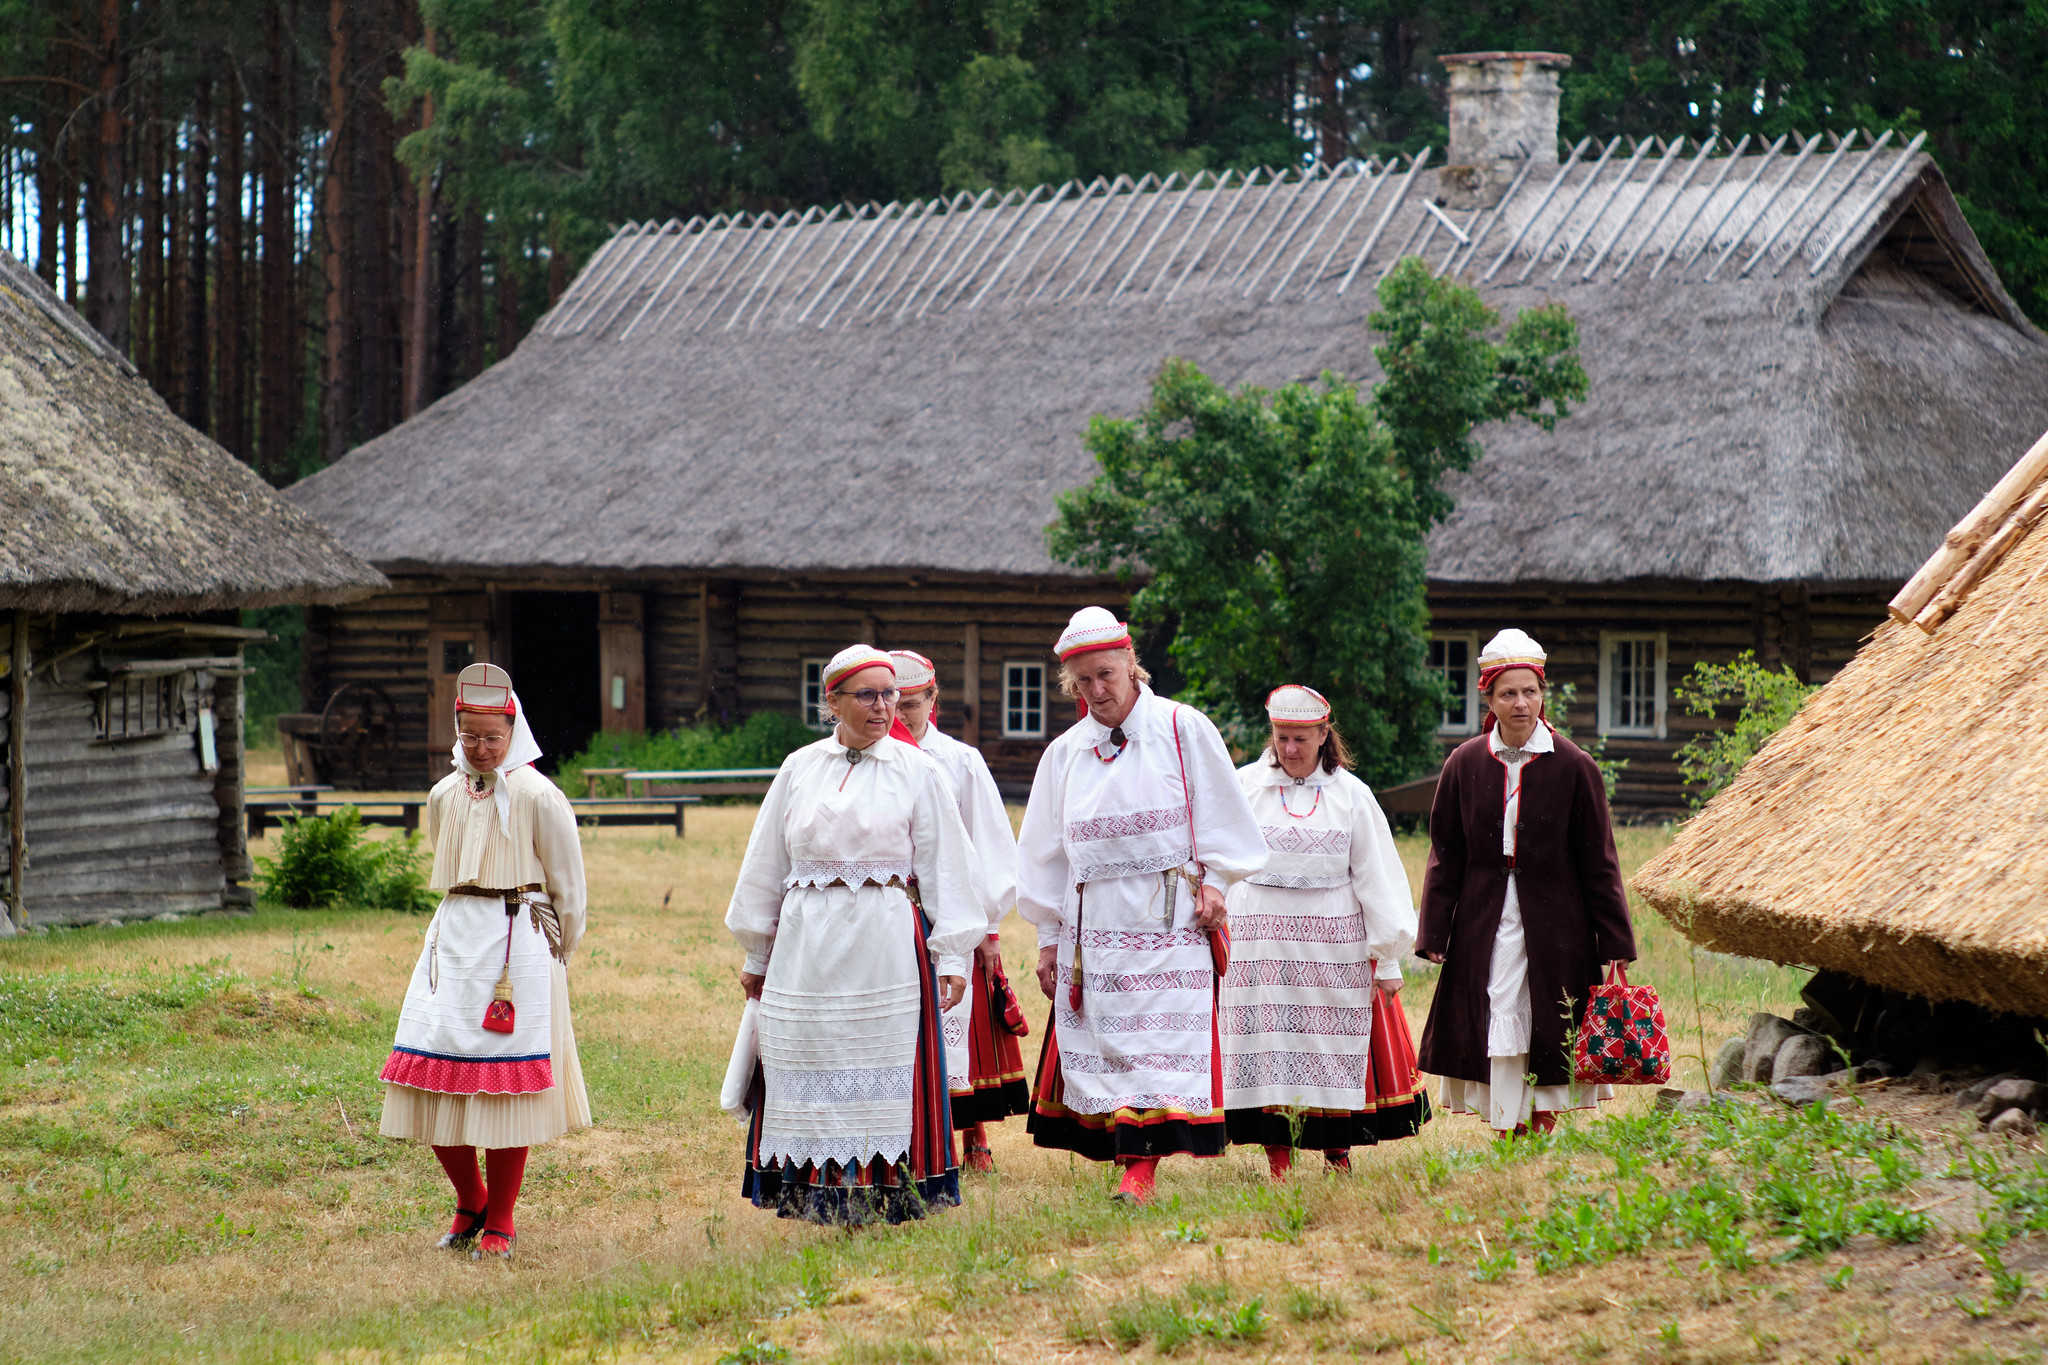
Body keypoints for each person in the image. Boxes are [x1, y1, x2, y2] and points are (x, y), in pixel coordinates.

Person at [725, 644, 987, 1224]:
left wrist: (951, 958)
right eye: (866, 695)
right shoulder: (800, 767)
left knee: (877, 1057)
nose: (882, 707)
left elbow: (948, 864)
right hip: (805, 946)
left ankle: (888, 1191)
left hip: (883, 942)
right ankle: (818, 1192)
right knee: (812, 1057)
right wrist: (756, 951)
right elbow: (766, 863)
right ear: (832, 702)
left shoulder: (919, 771)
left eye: (889, 694)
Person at [1016, 607, 1268, 1204]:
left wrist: (1216, 884)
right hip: (1094, 924)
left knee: (1158, 1044)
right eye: (1083, 683)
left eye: (1106, 674)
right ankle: (1129, 1155)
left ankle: (1140, 1171)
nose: (1097, 691)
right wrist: (1049, 940)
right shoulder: (1065, 754)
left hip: (1170, 915)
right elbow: (1044, 855)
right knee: (1110, 1043)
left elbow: (1223, 816)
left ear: (1132, 664)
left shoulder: (1184, 729)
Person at [379, 662, 590, 1261]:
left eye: (492, 737)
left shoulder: (537, 794)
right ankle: (469, 1199)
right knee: (429, 1065)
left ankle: (501, 1217)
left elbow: (569, 886)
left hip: (517, 940)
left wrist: (561, 949)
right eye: (469, 735)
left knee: (504, 1086)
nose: (480, 747)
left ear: (514, 730)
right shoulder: (443, 793)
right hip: (453, 938)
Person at [1416, 629, 1636, 1137]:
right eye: (1509, 693)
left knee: (1546, 1016)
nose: (1522, 703)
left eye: (1531, 691)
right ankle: (1506, 1127)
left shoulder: (1576, 766)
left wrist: (1616, 940)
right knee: (1497, 1007)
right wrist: (1434, 931)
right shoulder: (1464, 763)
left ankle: (1539, 1123)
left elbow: (1598, 859)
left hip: (1556, 921)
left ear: (1543, 693)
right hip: (1483, 917)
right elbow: (1445, 854)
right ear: (1489, 699)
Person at [1221, 685, 1427, 1178]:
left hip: (1331, 943)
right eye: (1281, 737)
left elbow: (1375, 873)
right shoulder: (1245, 786)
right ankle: (1278, 1160)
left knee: (1327, 1044)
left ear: (1323, 735)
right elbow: (1217, 858)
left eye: (1301, 739)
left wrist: (1390, 956)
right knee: (1265, 1045)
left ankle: (1338, 1151)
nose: (1290, 749)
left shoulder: (1352, 796)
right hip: (1259, 942)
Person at [888, 649, 1029, 1173]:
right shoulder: (871, 758)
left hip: (951, 910)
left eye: (913, 703)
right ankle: (903, 1138)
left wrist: (989, 930)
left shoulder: (959, 761)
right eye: (892, 701)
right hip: (888, 911)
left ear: (934, 701)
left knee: (956, 1023)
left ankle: (971, 1134)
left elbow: (990, 848)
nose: (900, 713)